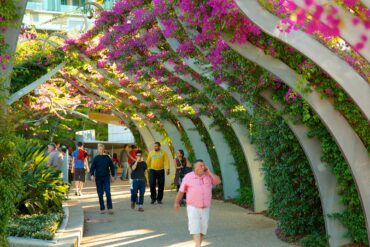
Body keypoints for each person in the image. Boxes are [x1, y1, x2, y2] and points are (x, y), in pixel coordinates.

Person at [174, 160, 221, 247]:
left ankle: (197, 245)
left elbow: (218, 181)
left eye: (203, 165)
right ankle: (198, 245)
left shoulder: (208, 176)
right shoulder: (188, 177)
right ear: (194, 168)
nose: (202, 167)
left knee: (203, 229)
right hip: (193, 207)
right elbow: (181, 191)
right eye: (200, 166)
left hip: (205, 207)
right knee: (195, 227)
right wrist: (177, 202)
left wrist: (209, 172)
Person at [90, 144, 115, 214]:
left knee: (108, 192)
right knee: (100, 194)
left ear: (104, 149)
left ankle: (110, 208)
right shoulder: (96, 158)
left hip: (106, 177)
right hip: (98, 178)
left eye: (102, 149)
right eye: (99, 149)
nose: (100, 150)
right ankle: (102, 208)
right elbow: (92, 168)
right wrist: (92, 175)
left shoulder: (107, 157)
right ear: (98, 150)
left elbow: (112, 167)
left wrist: (112, 176)